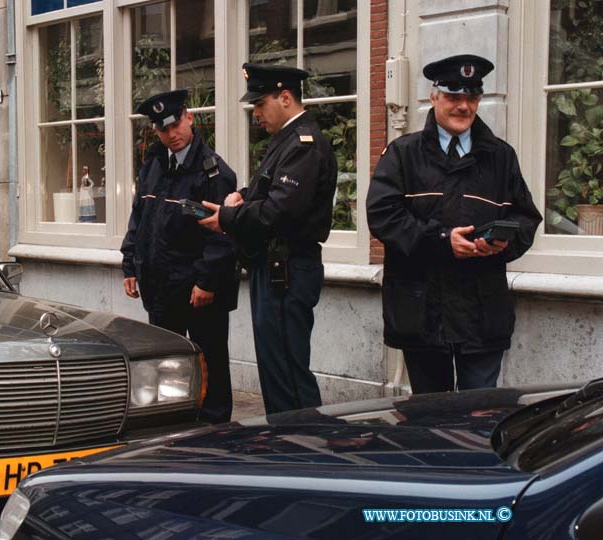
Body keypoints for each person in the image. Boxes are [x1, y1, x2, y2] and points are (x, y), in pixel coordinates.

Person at [366, 54, 543, 394]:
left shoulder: (501, 156)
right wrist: (442, 240)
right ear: (433, 98)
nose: (464, 106)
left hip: (481, 313)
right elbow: (383, 216)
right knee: (429, 419)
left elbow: (525, 218)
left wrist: (504, 241)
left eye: (472, 97)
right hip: (422, 313)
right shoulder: (403, 154)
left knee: (480, 415)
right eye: (453, 96)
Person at [199, 64, 337, 415]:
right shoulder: (286, 142)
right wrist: (242, 197)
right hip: (275, 269)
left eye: (261, 104)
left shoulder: (304, 144)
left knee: (288, 373)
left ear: (286, 97)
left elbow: (281, 209)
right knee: (276, 372)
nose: (257, 114)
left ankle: (306, 451)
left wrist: (228, 217)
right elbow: (270, 193)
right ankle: (288, 447)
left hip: (287, 272)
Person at [121, 88, 238, 424]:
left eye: (175, 125)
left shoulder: (214, 172)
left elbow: (223, 234)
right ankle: (171, 428)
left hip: (198, 290)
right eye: (162, 129)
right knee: (164, 362)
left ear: (189, 118)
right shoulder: (153, 166)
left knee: (210, 361)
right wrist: (130, 263)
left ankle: (215, 433)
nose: (171, 135)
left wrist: (207, 281)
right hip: (160, 285)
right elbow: (139, 219)